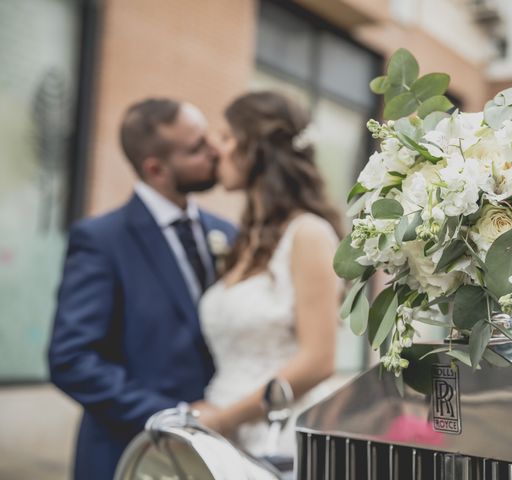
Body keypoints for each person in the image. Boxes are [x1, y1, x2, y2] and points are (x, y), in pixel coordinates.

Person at [48, 98, 236, 480]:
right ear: (156, 169)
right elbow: (72, 358)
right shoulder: (101, 240)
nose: (214, 151)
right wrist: (175, 417)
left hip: (221, 454)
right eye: (196, 147)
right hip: (131, 455)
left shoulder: (228, 233)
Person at [193, 91, 342, 457]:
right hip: (222, 437)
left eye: (227, 138)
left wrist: (226, 418)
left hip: (279, 438)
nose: (217, 149)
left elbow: (319, 360)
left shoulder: (308, 234)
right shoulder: (243, 241)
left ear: (257, 149)